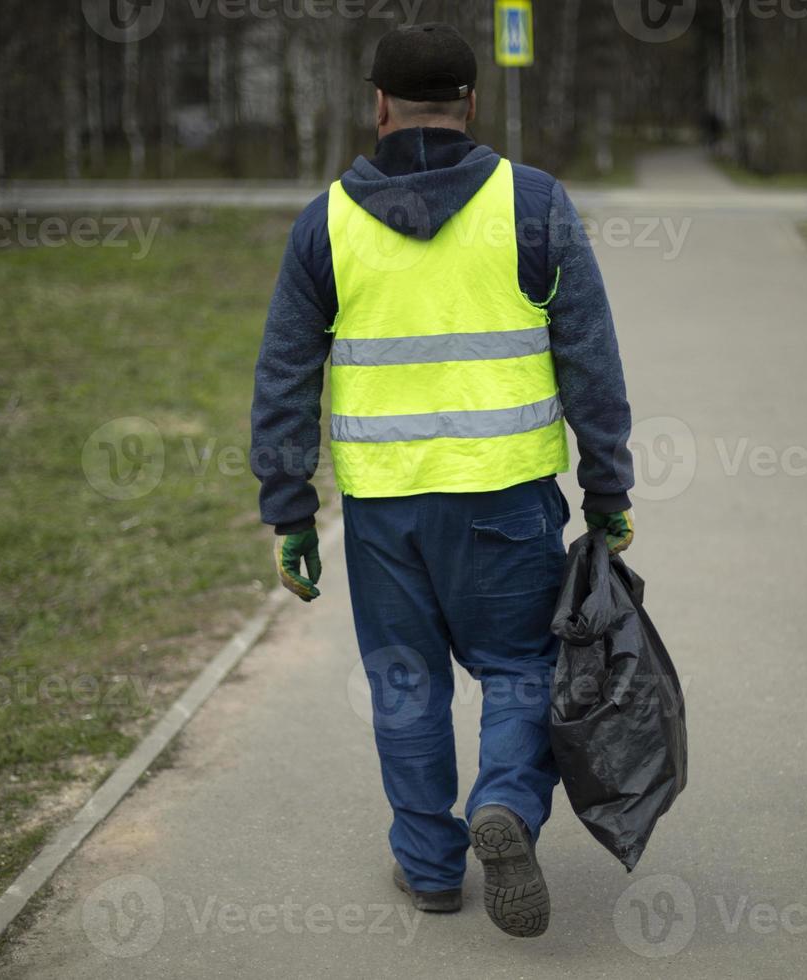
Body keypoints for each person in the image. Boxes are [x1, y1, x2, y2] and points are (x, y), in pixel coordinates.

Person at [249, 22, 634, 939]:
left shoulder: (327, 222)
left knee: (405, 683)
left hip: (383, 510)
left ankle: (429, 868)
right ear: (471, 103)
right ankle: (503, 803)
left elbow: (283, 378)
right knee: (521, 669)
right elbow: (591, 361)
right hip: (506, 499)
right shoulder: (531, 203)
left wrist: (290, 512)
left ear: (377, 106)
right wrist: (608, 494)